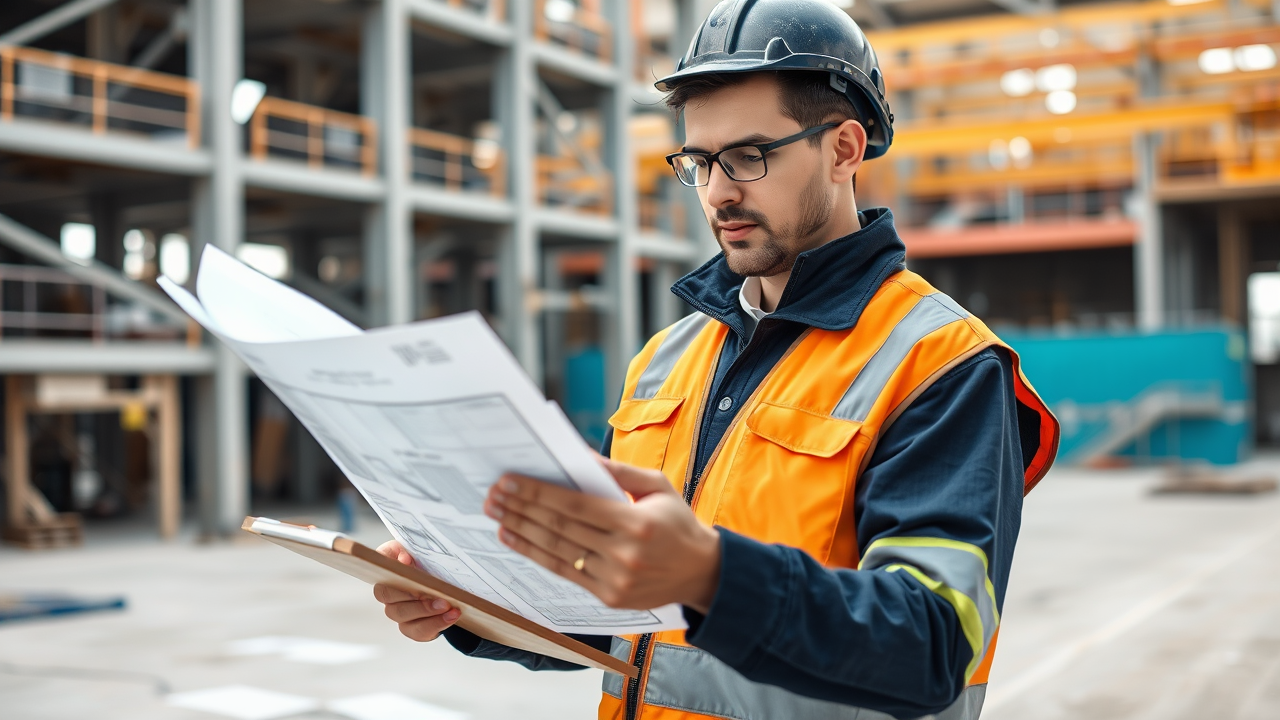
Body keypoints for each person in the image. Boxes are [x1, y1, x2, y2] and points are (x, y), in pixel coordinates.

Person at [372, 1, 1060, 718]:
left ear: (843, 150)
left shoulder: (940, 362)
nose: (719, 192)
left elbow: (933, 644)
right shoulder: (666, 360)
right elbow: (612, 614)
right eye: (699, 162)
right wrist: (468, 601)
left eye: (748, 157)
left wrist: (711, 574)